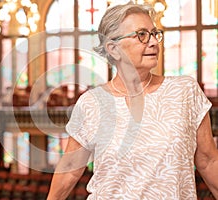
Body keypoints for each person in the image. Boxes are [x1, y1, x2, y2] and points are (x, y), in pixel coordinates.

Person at [47, 1, 218, 199]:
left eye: (155, 34)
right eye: (142, 35)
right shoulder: (91, 103)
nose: (153, 42)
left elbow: (208, 160)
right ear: (113, 48)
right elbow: (70, 169)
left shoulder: (185, 91)